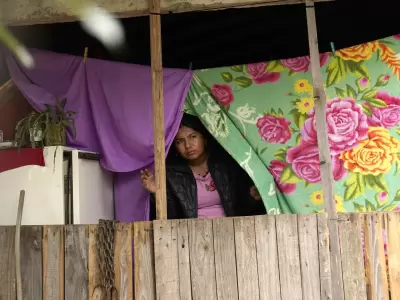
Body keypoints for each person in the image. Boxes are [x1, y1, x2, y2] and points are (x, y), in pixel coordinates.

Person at [141, 113, 265, 219]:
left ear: (204, 138)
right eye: (180, 141)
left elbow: (242, 209)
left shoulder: (226, 166)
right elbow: (172, 219)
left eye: (193, 137)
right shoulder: (172, 174)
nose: (188, 145)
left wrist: (253, 197)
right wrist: (157, 193)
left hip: (231, 232)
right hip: (191, 237)